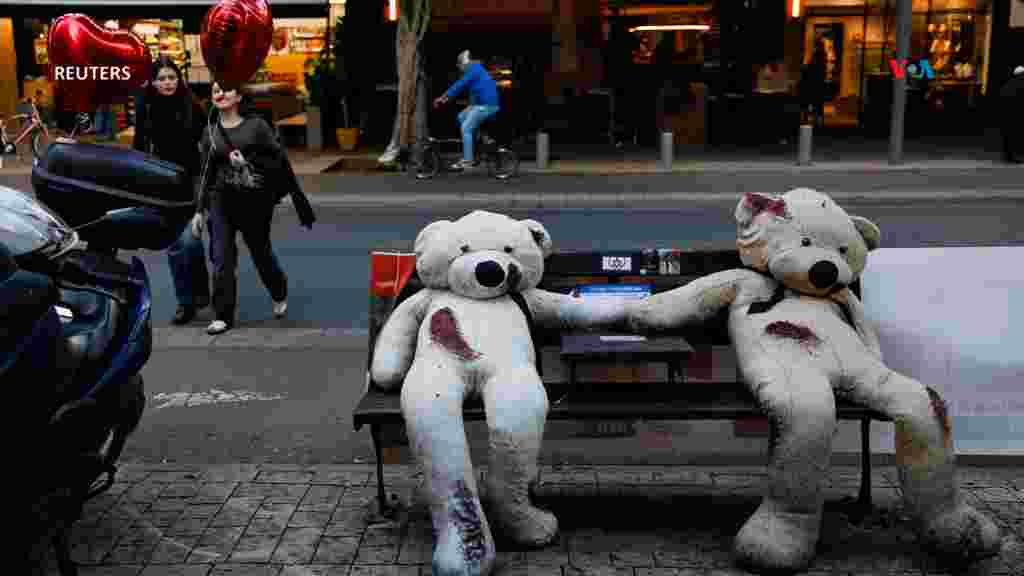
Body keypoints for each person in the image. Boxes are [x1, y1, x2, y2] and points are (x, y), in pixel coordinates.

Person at [194, 82, 295, 335]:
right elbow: (205, 172)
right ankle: (223, 315)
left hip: (253, 201)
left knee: (261, 253)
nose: (219, 94)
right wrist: (198, 210)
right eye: (215, 90)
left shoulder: (256, 126)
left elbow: (277, 158)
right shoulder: (210, 129)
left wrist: (246, 162)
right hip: (220, 200)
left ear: (238, 96)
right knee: (221, 258)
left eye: (225, 89)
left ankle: (278, 289)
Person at [132, 56, 212, 325]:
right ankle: (189, 301)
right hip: (161, 185)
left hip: (191, 181)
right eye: (161, 78)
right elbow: (139, 148)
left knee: (187, 242)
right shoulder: (146, 108)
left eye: (171, 77)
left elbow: (210, 143)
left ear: (179, 79)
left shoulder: (192, 106)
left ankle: (194, 297)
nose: (167, 83)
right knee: (179, 244)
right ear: (153, 82)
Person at [433, 50, 500, 170]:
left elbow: (460, 85)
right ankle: (483, 139)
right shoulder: (476, 70)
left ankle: (468, 160)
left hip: (486, 105)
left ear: (464, 63)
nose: (460, 69)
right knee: (461, 117)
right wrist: (448, 100)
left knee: (466, 128)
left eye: (460, 66)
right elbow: (474, 91)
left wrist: (443, 97)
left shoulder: (474, 70)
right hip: (481, 104)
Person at [999, 65, 1023, 164]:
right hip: (1016, 115)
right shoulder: (1020, 84)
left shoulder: (1007, 85)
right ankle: (1014, 156)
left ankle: (1009, 156)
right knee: (1015, 136)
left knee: (1008, 137)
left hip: (1006, 115)